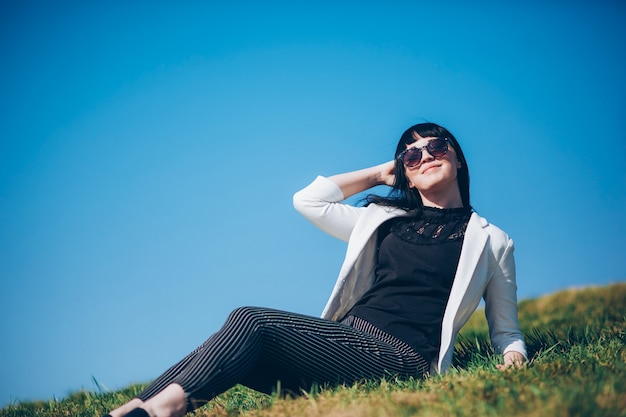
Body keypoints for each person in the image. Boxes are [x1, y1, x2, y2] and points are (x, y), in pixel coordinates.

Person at [103, 122, 527, 417]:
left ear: (456, 156)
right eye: (411, 157)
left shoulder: (491, 240)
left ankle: (163, 408)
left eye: (436, 146)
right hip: (342, 346)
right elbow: (309, 201)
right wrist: (382, 173)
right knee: (226, 346)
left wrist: (512, 359)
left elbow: (506, 330)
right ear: (405, 176)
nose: (425, 157)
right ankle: (134, 412)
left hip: (402, 359)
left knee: (250, 320)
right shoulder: (381, 219)